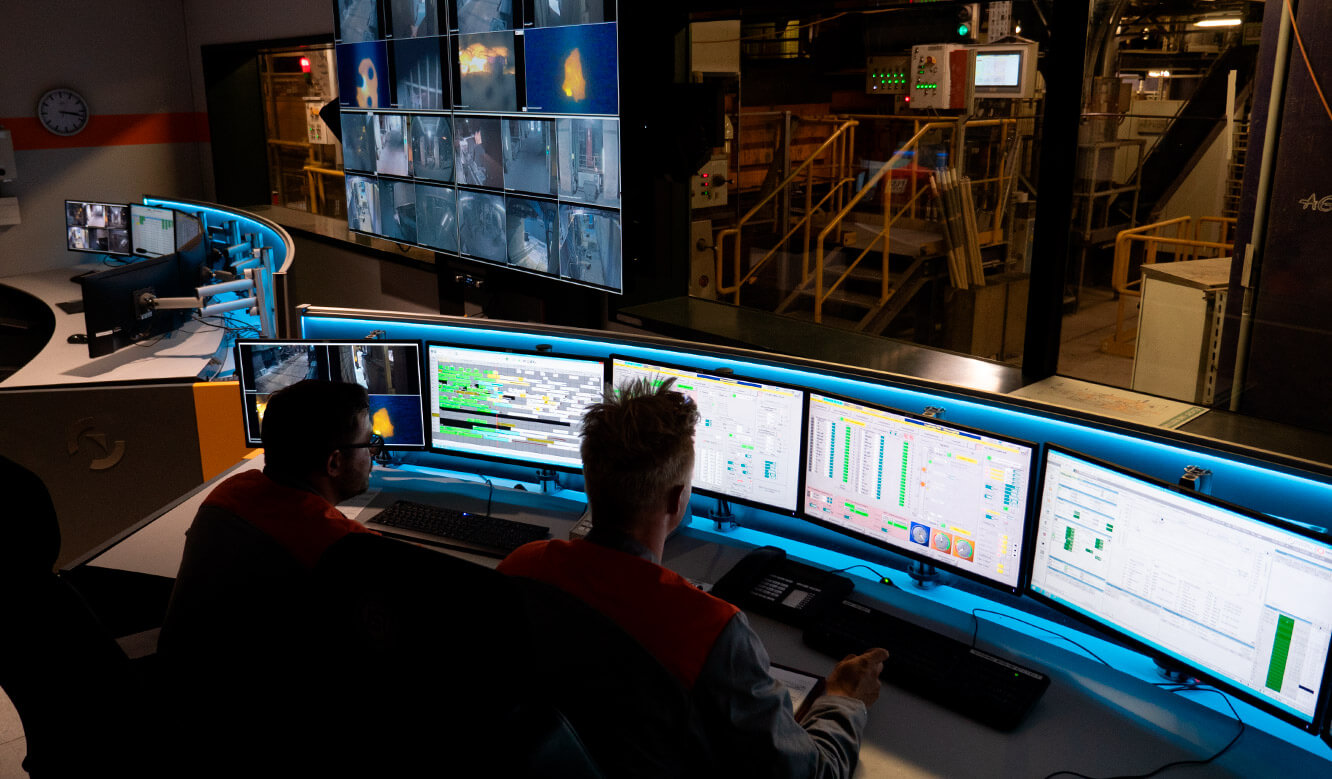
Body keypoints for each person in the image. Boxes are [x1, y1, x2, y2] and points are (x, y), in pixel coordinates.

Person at [498, 378, 889, 778]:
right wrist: (843, 700)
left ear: (588, 480)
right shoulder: (710, 631)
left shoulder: (521, 568)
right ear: (677, 499)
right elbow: (810, 774)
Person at [157, 379, 382, 772]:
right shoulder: (341, 545)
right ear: (334, 462)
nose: (374, 455)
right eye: (369, 444)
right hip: (264, 737)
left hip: (184, 705)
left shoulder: (230, 492)